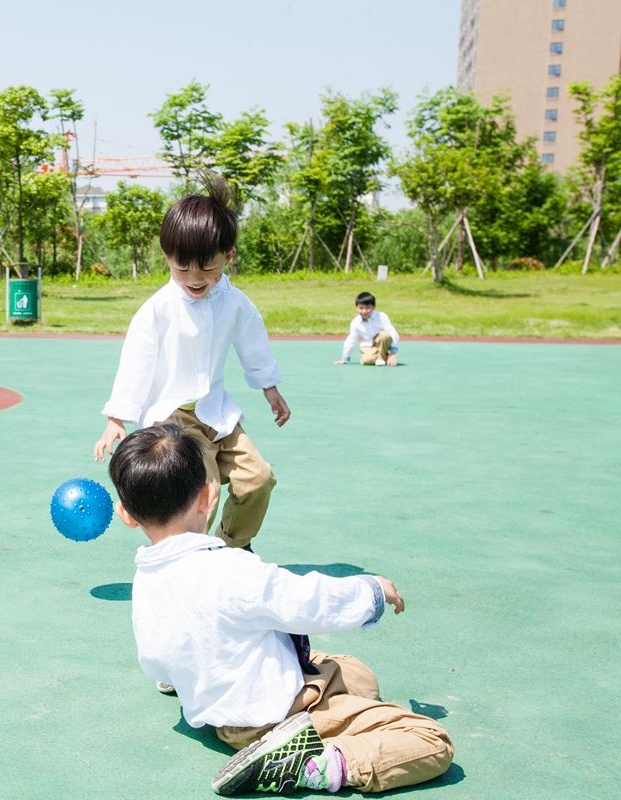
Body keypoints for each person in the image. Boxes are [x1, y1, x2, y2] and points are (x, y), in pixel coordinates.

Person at [108, 424, 453, 796]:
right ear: (209, 496)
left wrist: (184, 677)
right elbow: (306, 601)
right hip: (272, 712)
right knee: (430, 740)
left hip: (220, 710)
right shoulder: (231, 569)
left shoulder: (146, 580)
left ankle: (310, 731)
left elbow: (157, 660)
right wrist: (372, 592)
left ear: (126, 514)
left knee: (356, 673)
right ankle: (316, 765)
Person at [93, 175, 289, 551]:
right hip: (175, 422)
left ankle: (234, 548)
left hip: (217, 414)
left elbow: (253, 343)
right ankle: (189, 561)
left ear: (229, 255)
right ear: (167, 256)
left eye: (207, 269)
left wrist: (270, 387)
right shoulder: (158, 309)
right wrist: (116, 417)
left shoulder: (234, 301)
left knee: (259, 478)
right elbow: (137, 361)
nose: (195, 280)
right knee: (205, 492)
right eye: (182, 269)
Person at [335, 292, 400, 367]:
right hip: (367, 346)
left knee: (384, 335)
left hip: (382, 344)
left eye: (367, 308)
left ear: (374, 307)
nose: (364, 311)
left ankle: (381, 357)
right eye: (361, 308)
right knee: (367, 361)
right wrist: (344, 358)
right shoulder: (355, 323)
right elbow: (351, 340)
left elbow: (393, 333)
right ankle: (382, 357)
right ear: (356, 308)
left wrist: (393, 353)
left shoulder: (382, 316)